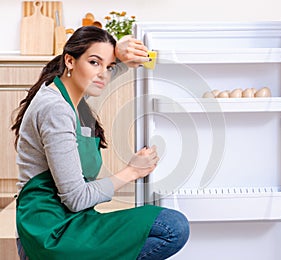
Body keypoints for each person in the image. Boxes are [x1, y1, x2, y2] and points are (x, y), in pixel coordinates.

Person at [11, 26, 189, 260]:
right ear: (70, 61)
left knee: (169, 226)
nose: (103, 74)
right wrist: (131, 171)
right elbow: (77, 199)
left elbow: (100, 75)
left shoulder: (68, 92)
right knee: (172, 228)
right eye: (94, 62)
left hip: (70, 222)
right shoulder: (56, 108)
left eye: (109, 67)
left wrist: (121, 54)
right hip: (49, 233)